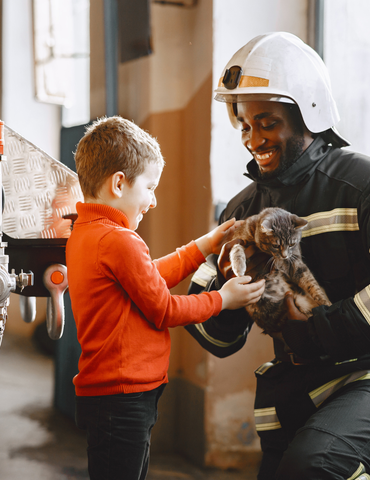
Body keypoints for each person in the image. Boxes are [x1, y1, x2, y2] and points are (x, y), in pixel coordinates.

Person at [185, 32, 370, 480]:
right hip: (292, 394)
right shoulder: (241, 211)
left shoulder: (359, 184)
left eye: (267, 122)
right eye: (244, 125)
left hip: (363, 380)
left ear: (308, 115)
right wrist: (228, 288)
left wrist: (316, 332)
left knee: (315, 466)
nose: (252, 138)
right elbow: (216, 337)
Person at [65, 116, 265, 480]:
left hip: (112, 394)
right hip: (123, 398)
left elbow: (148, 278)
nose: (153, 201)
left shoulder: (87, 231)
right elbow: (163, 307)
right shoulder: (119, 240)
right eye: (150, 187)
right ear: (119, 183)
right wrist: (223, 299)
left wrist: (203, 245)